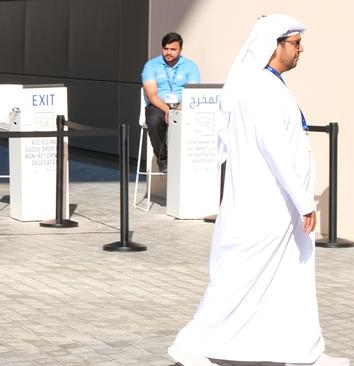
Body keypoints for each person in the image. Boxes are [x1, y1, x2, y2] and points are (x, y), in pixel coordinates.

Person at [168, 14, 350, 366]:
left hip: (278, 208)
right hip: (262, 208)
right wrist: (304, 202)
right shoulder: (260, 89)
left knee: (290, 278)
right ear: (274, 45)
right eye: (295, 43)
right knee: (237, 279)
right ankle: (190, 344)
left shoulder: (270, 85)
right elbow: (276, 151)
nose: (301, 50)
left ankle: (304, 351)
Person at [141, 32, 200, 172]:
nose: (169, 52)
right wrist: (168, 111)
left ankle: (191, 161)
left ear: (180, 50)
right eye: (166, 48)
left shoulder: (190, 66)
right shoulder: (151, 66)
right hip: (159, 105)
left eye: (173, 49)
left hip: (183, 105)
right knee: (154, 119)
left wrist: (178, 110)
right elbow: (152, 94)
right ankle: (164, 161)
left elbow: (192, 92)